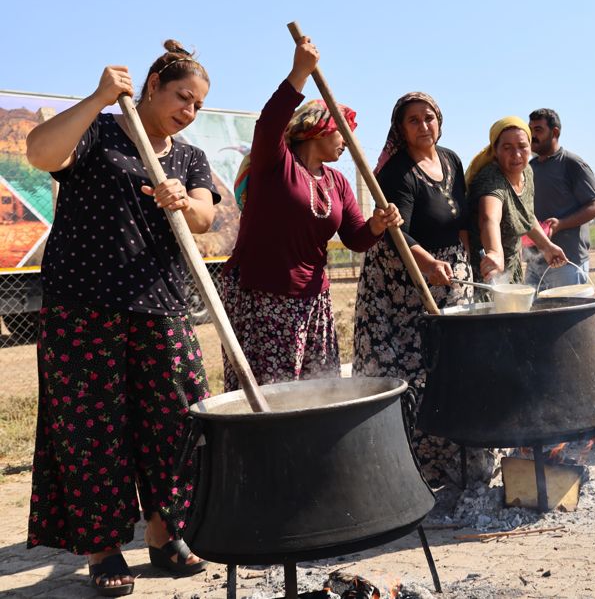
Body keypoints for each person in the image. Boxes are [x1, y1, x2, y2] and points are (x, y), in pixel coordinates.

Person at [24, 41, 218, 595]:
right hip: (83, 306)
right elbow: (40, 153)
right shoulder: (100, 132)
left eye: (199, 105)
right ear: (152, 85)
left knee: (176, 420)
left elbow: (206, 216)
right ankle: (104, 548)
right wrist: (98, 97)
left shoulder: (188, 157)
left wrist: (186, 200)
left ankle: (163, 532)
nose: (189, 111)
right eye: (183, 97)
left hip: (161, 304)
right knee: (93, 429)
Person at [222, 37, 401, 392]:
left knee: (316, 390)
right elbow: (268, 124)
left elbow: (355, 238)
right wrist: (299, 73)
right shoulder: (274, 166)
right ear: (319, 128)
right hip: (264, 295)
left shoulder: (336, 182)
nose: (348, 142)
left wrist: (377, 224)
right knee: (272, 391)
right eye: (343, 133)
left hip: (314, 300)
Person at [353, 92, 487, 486]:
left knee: (452, 367)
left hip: (449, 276)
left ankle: (454, 461)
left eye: (429, 118)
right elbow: (396, 232)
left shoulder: (451, 159)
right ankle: (411, 470)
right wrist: (427, 264)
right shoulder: (397, 172)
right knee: (414, 372)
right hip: (403, 284)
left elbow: (461, 218)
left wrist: (467, 258)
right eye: (414, 120)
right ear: (400, 129)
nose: (424, 125)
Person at [466, 117, 567, 283]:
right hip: (486, 272)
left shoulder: (527, 171)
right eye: (507, 148)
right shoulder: (491, 179)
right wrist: (495, 252)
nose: (516, 155)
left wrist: (547, 247)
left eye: (522, 146)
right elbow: (489, 218)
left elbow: (525, 216)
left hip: (512, 266)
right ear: (495, 150)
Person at [524, 108, 595, 288]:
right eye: (530, 130)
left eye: (538, 130)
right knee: (534, 315)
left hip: (566, 261)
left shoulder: (572, 164)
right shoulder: (528, 169)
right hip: (535, 260)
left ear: (555, 132)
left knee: (566, 315)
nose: (532, 136)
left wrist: (560, 224)